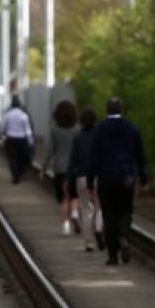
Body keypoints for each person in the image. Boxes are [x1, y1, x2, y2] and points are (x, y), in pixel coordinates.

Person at [86, 97, 148, 265]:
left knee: (109, 215)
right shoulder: (132, 129)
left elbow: (93, 158)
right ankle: (124, 234)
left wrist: (90, 182)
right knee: (125, 211)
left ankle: (113, 255)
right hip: (126, 178)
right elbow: (140, 155)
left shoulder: (99, 130)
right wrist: (143, 178)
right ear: (122, 110)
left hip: (106, 179)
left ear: (107, 110)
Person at [39, 100, 80, 235]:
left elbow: (49, 150)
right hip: (75, 169)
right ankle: (74, 213)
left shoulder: (55, 130)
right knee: (74, 196)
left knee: (63, 199)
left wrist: (43, 168)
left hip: (60, 169)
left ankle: (66, 225)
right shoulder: (77, 129)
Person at [67, 108, 104, 252]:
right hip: (99, 176)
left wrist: (68, 178)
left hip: (82, 177)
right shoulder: (101, 136)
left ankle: (89, 243)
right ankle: (99, 229)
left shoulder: (78, 137)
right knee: (99, 207)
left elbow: (72, 161)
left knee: (86, 210)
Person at [1, 96, 34, 183]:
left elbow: (4, 127)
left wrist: (3, 137)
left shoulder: (8, 115)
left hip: (11, 139)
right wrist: (30, 141)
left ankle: (15, 176)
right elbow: (27, 130)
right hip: (22, 139)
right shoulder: (24, 116)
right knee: (21, 157)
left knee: (12, 158)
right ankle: (19, 173)